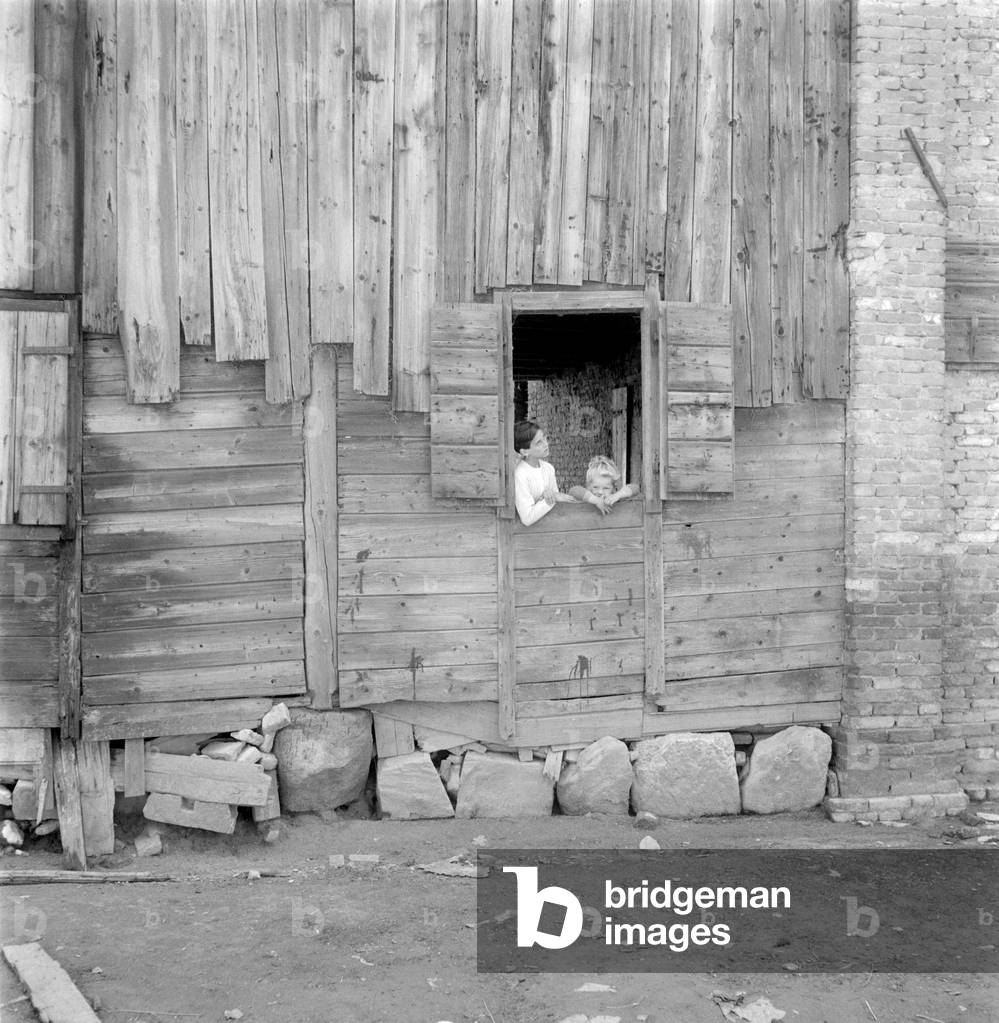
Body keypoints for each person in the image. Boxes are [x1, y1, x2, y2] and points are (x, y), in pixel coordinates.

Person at [513, 420, 576, 526]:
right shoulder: (520, 474)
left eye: (545, 438)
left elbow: (555, 502)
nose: (546, 444)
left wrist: (553, 497)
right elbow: (527, 518)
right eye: (539, 443)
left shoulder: (548, 468)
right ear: (524, 452)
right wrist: (551, 499)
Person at [569, 455, 640, 516]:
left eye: (606, 488)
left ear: (614, 488)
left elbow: (635, 488)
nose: (600, 492)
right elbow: (574, 490)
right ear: (589, 486)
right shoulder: (588, 496)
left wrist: (618, 495)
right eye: (595, 487)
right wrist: (596, 500)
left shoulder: (614, 497)